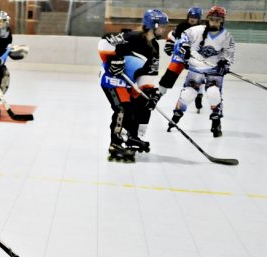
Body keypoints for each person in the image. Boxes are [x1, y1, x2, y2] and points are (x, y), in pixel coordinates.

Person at [97, 9, 169, 162]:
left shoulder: (155, 47)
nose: (164, 29)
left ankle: (132, 137)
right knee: (123, 108)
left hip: (127, 82)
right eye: (162, 26)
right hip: (112, 78)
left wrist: (150, 92)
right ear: (153, 25)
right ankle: (115, 144)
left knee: (143, 104)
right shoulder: (133, 37)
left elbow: (148, 74)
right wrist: (112, 60)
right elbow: (105, 41)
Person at [159, 5, 235, 137]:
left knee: (213, 93)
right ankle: (176, 117)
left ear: (222, 21)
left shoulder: (226, 36)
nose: (214, 22)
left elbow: (229, 51)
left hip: (214, 71)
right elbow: (183, 38)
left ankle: (216, 123)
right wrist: (185, 47)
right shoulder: (196, 30)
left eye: (217, 20)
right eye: (212, 19)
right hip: (195, 68)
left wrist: (225, 62)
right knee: (188, 93)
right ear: (207, 19)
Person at [164, 7, 205, 112]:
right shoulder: (182, 26)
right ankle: (160, 91)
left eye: (195, 17)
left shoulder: (203, 29)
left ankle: (199, 95)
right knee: (169, 77)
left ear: (199, 19)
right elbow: (174, 36)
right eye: (191, 17)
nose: (192, 19)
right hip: (181, 57)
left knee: (199, 76)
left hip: (195, 57)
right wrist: (169, 44)